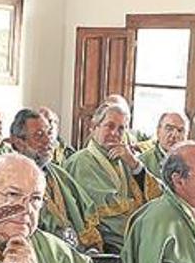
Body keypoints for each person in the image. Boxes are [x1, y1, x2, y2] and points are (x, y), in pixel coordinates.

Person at [65, 104, 159, 253]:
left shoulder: (125, 158)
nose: (115, 133)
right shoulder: (80, 162)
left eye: (121, 128)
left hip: (135, 233)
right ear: (94, 127)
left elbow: (159, 196)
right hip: (109, 242)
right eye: (109, 126)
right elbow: (102, 211)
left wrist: (135, 165)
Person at [10, 109, 103, 252]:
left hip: (76, 251)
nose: (48, 141)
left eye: (48, 133)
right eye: (39, 135)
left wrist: (91, 248)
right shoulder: (8, 179)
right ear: (19, 142)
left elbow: (86, 210)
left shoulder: (59, 174)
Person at [137, 111, 188, 178]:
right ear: (158, 132)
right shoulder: (142, 161)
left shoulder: (191, 163)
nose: (174, 135)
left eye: (180, 130)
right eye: (169, 129)